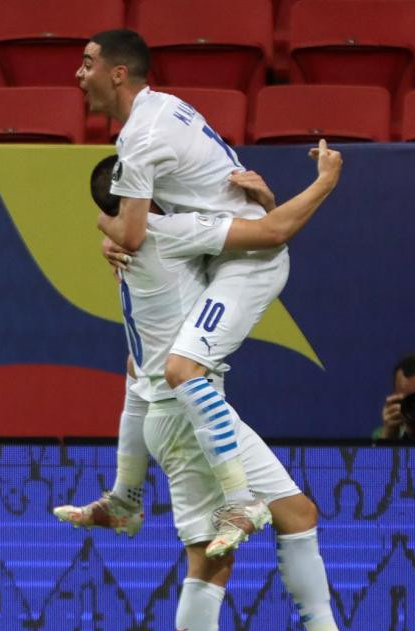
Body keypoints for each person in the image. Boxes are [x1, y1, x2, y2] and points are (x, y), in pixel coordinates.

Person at [57, 139, 413, 631]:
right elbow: (272, 234)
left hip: (184, 406)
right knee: (213, 558)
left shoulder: (140, 239)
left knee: (295, 514)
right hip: (184, 413)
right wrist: (325, 180)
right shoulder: (167, 234)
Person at [75, 28, 292, 553]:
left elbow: (130, 231)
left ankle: (242, 498)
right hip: (222, 252)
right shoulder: (167, 106)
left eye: (87, 64)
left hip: (248, 260)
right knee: (144, 368)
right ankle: (127, 497)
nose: (79, 75)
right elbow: (209, 193)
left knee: (181, 370)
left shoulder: (139, 139)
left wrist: (102, 228)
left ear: (117, 73)